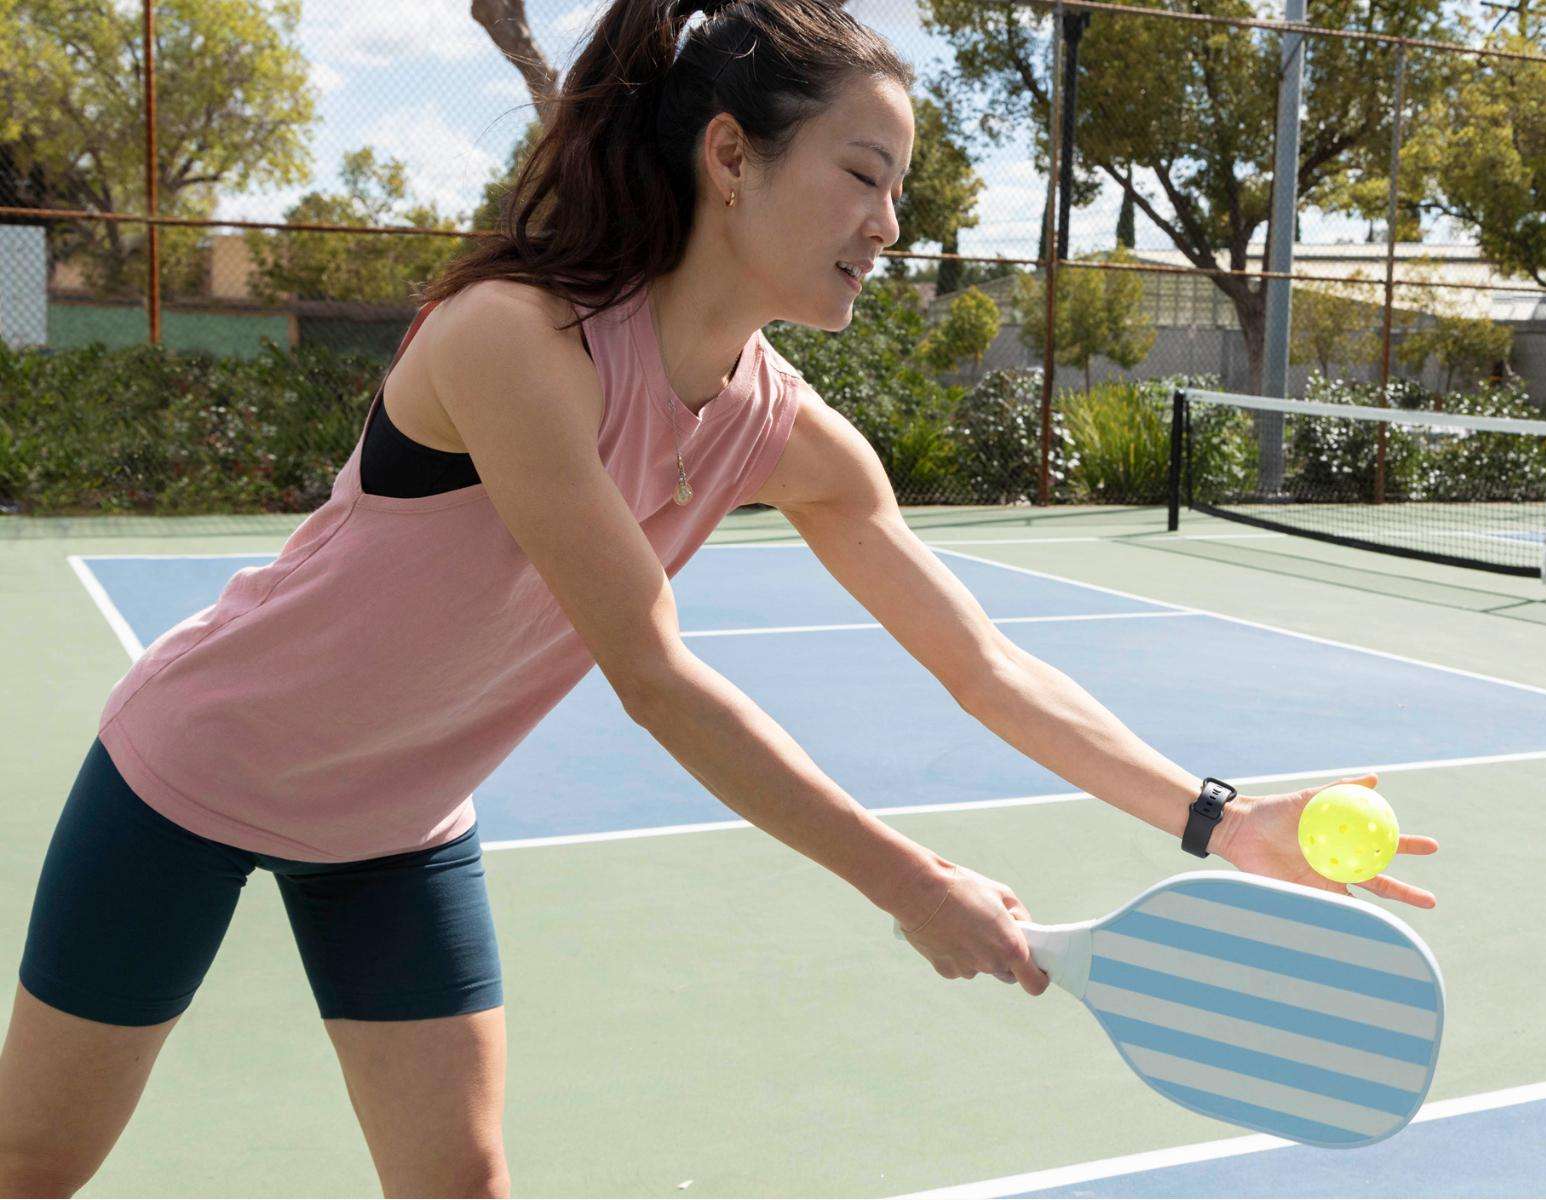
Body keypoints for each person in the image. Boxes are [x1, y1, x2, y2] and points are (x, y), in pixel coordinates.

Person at [0, 0, 1439, 1195]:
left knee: (463, 1189)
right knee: (36, 1164)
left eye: (906, 190)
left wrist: (1214, 816)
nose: (893, 222)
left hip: (392, 829)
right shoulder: (519, 342)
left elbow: (982, 662)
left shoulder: (793, 434)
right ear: (732, 159)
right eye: (864, 174)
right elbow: (654, 673)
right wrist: (912, 883)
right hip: (193, 778)